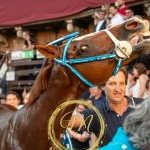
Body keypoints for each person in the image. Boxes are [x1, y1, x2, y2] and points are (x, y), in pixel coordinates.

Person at [81, 68, 143, 147]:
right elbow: (67, 121)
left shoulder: (143, 105)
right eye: (112, 84)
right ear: (103, 87)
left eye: (121, 83)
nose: (118, 89)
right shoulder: (96, 112)